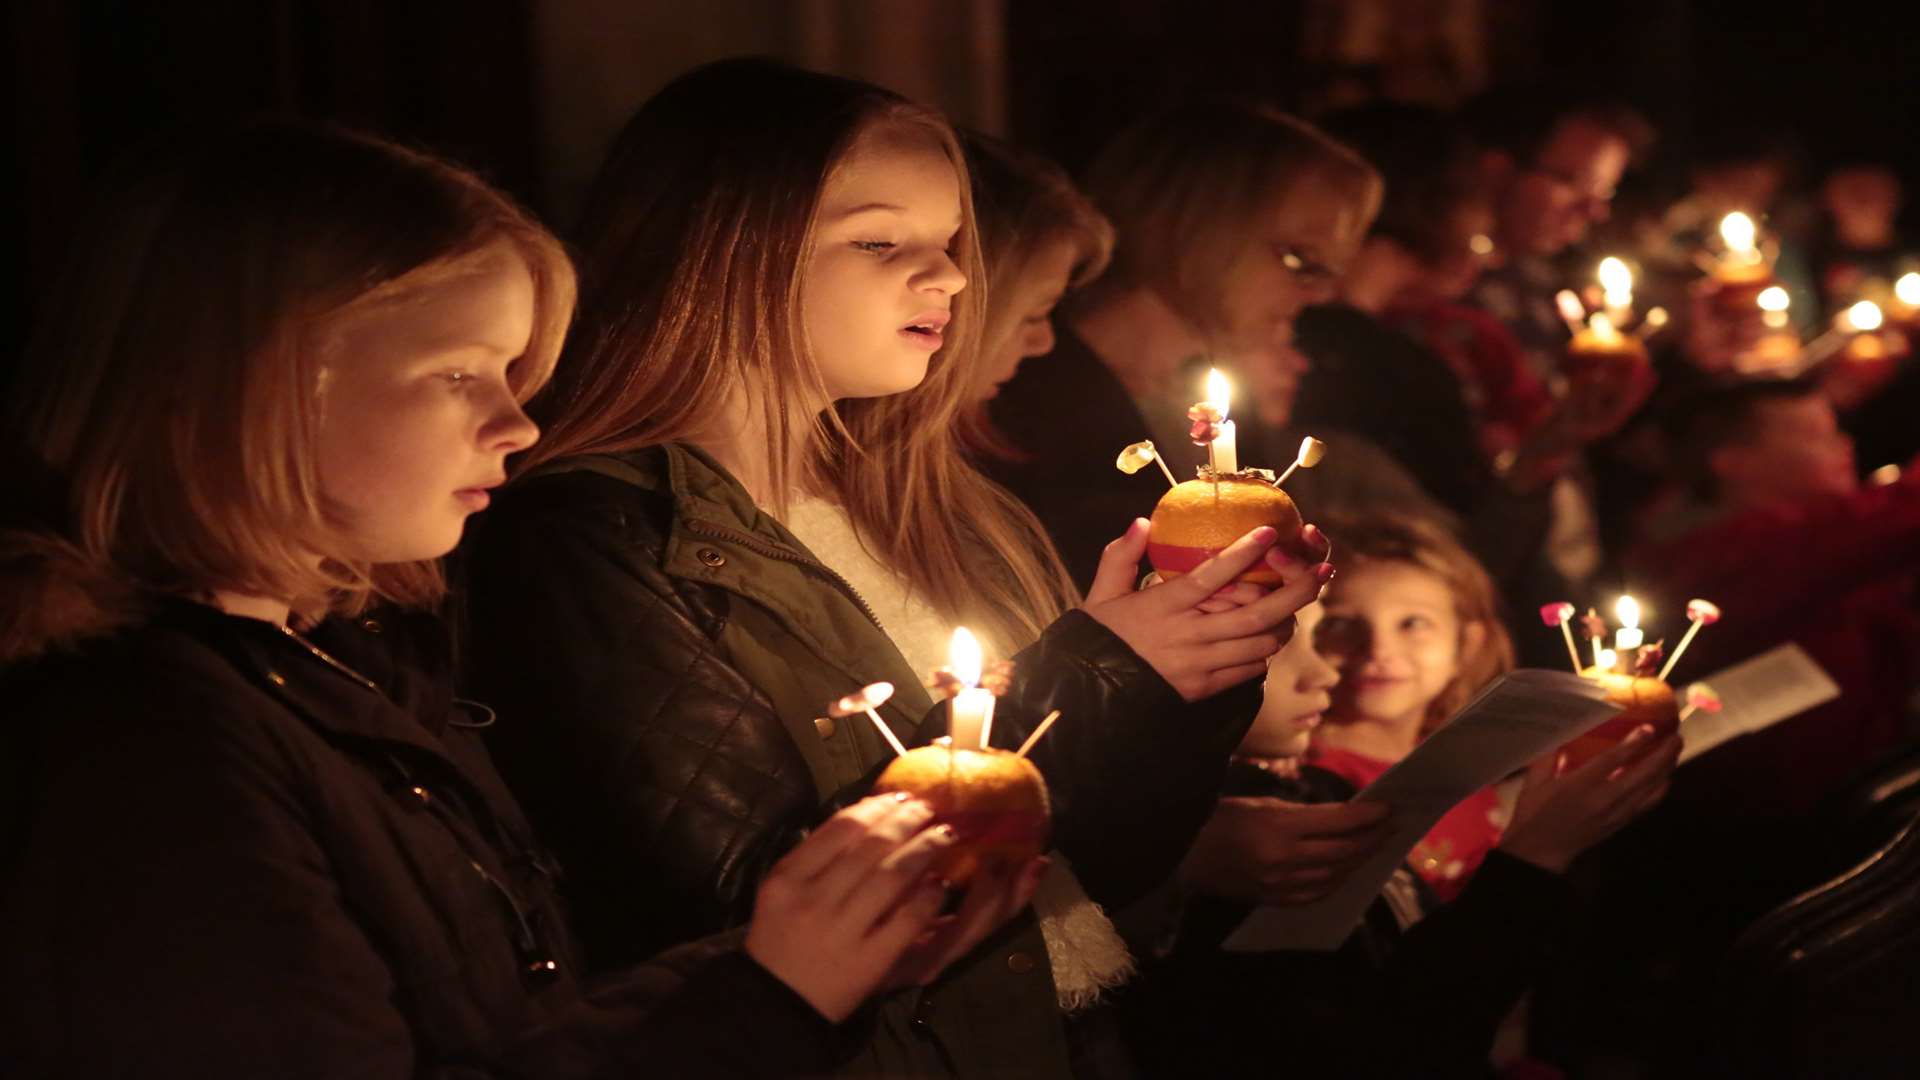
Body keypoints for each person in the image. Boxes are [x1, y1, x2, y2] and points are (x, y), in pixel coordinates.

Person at [0, 123, 1033, 1078]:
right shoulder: (155, 756)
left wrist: (794, 960)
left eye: (511, 371)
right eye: (459, 375)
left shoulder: (349, 671)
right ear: (253, 383)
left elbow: (512, 1032)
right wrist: (770, 997)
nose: (519, 425)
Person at [459, 59, 1329, 1077]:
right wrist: (1097, 675)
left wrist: (1195, 674)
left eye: (953, 245)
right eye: (883, 243)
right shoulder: (590, 537)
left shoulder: (949, 512)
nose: (954, 279)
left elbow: (1090, 867)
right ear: (725, 253)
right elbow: (745, 900)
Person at [1122, 584, 1679, 1077]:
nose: (1327, 672)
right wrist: (1534, 856)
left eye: (1318, 640)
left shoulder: (1319, 794)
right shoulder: (1225, 845)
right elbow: (1382, 1042)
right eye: (1280, 644)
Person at [985, 98, 1418, 592]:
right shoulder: (1023, 400)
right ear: (1193, 225)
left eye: (1331, 271)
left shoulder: (1225, 412)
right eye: (1301, 260)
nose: (1322, 294)